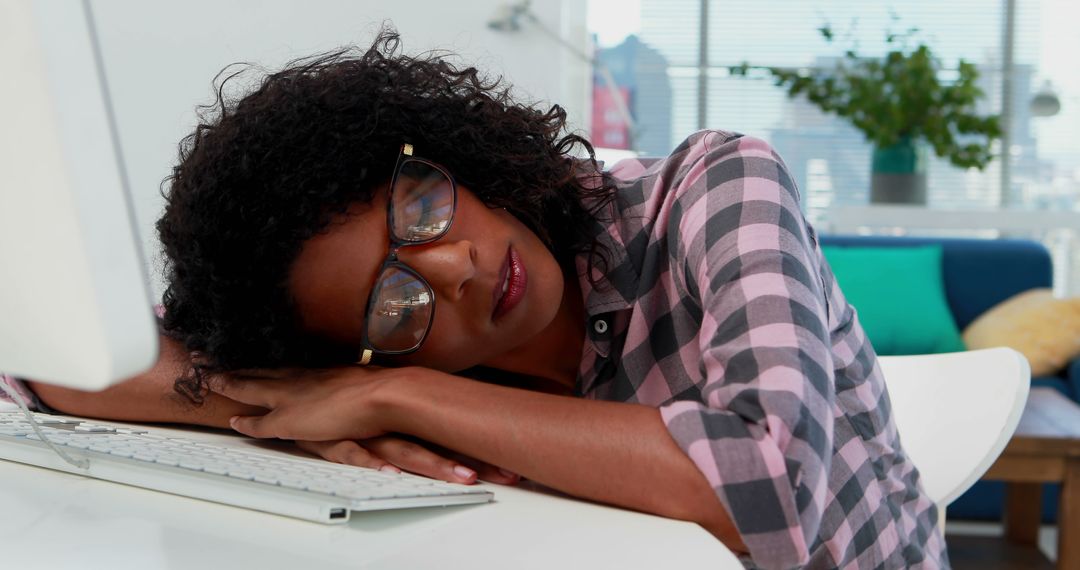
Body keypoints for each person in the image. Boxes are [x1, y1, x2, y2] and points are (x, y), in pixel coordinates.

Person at [2, 30, 947, 569]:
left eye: (422, 204)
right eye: (392, 305)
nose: (451, 270)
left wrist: (399, 395)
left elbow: (769, 494)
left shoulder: (714, 189)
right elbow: (37, 369)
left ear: (451, 151)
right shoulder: (359, 361)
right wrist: (283, 401)